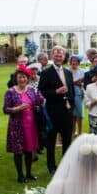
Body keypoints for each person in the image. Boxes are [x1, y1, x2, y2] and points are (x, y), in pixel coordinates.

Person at [37, 45, 75, 173]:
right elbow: (41, 91)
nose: (59, 57)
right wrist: (56, 91)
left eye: (61, 55)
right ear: (53, 56)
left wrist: (72, 106)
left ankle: (66, 165)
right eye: (57, 55)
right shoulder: (46, 73)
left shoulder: (68, 72)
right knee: (51, 140)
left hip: (67, 111)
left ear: (64, 57)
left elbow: (72, 91)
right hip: (53, 111)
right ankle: (51, 166)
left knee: (67, 139)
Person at [3, 68, 44, 182]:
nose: (22, 79)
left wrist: (38, 103)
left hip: (30, 125)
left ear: (28, 78)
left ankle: (29, 173)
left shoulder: (31, 90)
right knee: (18, 151)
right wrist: (18, 108)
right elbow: (5, 110)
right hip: (16, 125)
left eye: (24, 77)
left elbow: (38, 101)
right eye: (20, 77)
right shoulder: (10, 92)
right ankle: (20, 175)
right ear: (16, 78)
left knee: (29, 151)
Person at [68, 54, 85, 138]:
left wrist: (80, 82)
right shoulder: (67, 71)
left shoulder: (82, 71)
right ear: (70, 62)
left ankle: (80, 131)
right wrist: (75, 82)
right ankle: (73, 131)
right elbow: (66, 83)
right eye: (72, 61)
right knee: (72, 113)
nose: (74, 62)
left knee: (79, 112)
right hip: (69, 93)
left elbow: (83, 82)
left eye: (76, 61)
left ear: (78, 62)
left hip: (78, 93)